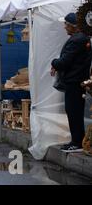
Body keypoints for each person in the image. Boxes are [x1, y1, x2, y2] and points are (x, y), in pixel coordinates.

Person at [51, 13, 92, 153]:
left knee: (73, 111)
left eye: (66, 24)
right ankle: (77, 140)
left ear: (73, 26)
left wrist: (54, 62)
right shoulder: (82, 38)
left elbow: (64, 62)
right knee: (75, 111)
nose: (64, 27)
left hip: (74, 82)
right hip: (78, 80)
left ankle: (77, 141)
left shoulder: (76, 40)